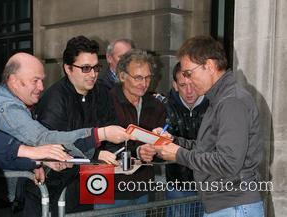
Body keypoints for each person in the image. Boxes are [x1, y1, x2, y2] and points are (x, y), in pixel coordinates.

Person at [0, 52, 133, 217]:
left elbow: (30, 147)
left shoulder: (100, 93)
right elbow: (42, 139)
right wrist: (99, 134)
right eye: (35, 80)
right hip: (19, 201)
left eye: (96, 68)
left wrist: (37, 162)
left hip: (41, 193)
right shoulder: (8, 108)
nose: (41, 87)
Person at [155, 36, 264, 217]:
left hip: (233, 206)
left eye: (189, 73)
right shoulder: (220, 99)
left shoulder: (231, 102)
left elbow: (228, 163)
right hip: (229, 206)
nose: (187, 80)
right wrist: (173, 141)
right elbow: (206, 148)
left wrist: (178, 154)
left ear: (210, 66)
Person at [35, 35, 119, 213]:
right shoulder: (54, 100)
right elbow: (53, 145)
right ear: (68, 68)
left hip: (95, 178)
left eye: (96, 67)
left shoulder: (102, 93)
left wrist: (114, 152)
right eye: (86, 68)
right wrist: (96, 152)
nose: (93, 74)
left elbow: (111, 128)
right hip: (60, 185)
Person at [95, 49, 166, 215]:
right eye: (138, 77)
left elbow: (159, 148)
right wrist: (137, 151)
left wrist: (156, 148)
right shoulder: (105, 102)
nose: (144, 83)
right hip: (108, 187)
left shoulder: (157, 106)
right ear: (122, 76)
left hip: (141, 187)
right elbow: (98, 143)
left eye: (148, 77)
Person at [163, 62, 208, 217]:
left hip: (209, 184)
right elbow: (161, 150)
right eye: (183, 85)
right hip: (178, 184)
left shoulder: (215, 105)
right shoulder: (164, 106)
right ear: (175, 85)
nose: (189, 91)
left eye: (193, 84)